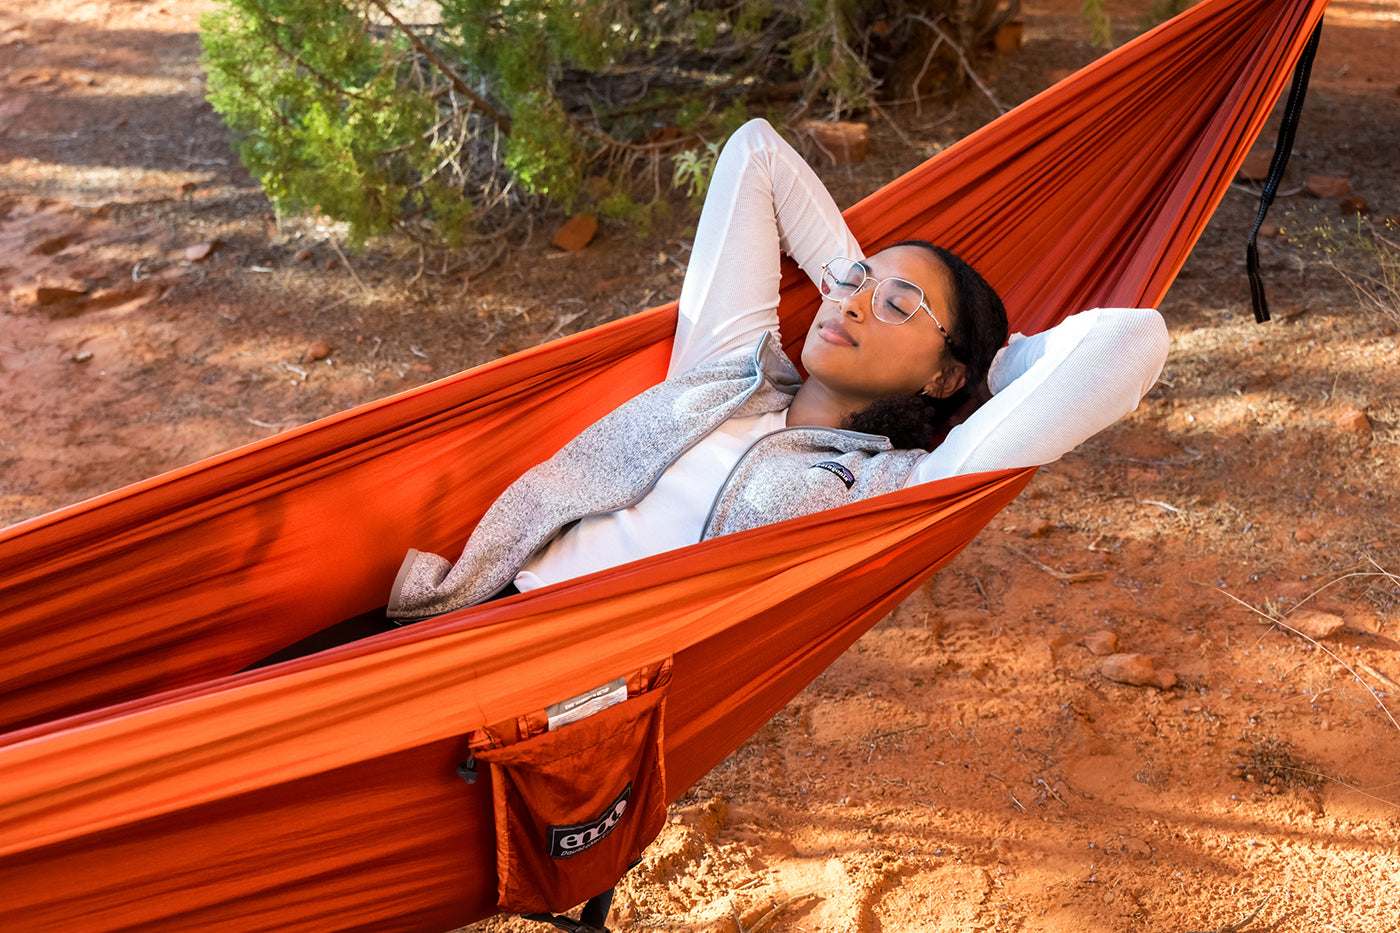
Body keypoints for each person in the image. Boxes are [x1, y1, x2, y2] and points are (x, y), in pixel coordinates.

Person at [387, 118, 1169, 621]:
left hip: (553, 683)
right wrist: (853, 286)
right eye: (855, 280)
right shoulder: (729, 375)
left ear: (942, 377)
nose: (854, 305)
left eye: (900, 306)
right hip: (463, 608)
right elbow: (755, 151)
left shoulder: (893, 487)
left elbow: (1131, 343)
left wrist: (996, 366)